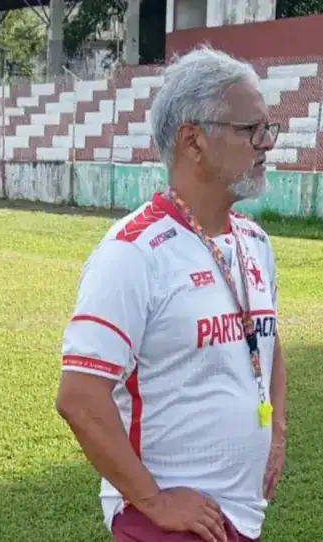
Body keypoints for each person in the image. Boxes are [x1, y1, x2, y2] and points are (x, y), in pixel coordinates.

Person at [55, 45, 287, 542]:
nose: (266, 143)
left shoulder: (255, 242)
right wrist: (154, 501)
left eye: (268, 128)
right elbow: (79, 397)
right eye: (251, 129)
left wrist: (277, 431)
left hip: (240, 512)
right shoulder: (133, 253)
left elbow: (267, 343)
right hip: (164, 521)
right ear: (193, 140)